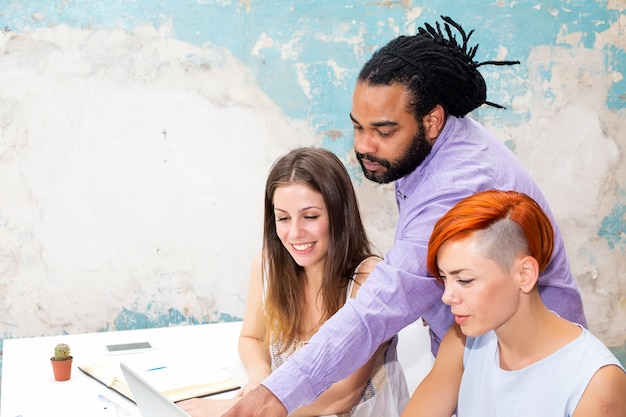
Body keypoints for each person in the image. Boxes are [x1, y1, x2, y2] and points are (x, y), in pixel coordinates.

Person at [223, 16, 587, 417]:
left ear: (432, 120)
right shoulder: (422, 149)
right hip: (471, 355)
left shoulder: (457, 182)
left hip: (531, 372)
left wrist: (278, 394)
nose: (363, 145)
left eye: (382, 130)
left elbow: (382, 305)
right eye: (357, 127)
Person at [179, 147, 409, 417]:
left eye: (310, 216)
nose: (295, 233)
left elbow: (343, 395)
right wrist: (261, 377)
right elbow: (252, 337)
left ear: (339, 214)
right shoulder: (267, 265)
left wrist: (239, 407)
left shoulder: (369, 278)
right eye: (283, 218)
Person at [401, 189, 626, 416]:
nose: (447, 296)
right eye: (444, 278)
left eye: (464, 280)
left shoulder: (596, 383)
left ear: (525, 274)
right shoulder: (462, 342)